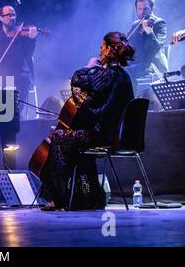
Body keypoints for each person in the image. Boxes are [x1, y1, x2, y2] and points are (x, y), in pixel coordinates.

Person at [39, 32, 135, 211]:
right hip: (111, 134)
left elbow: (79, 80)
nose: (99, 52)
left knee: (59, 136)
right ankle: (85, 197)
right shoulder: (123, 76)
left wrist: (87, 66)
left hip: (100, 136)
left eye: (101, 48)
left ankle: (59, 198)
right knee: (73, 141)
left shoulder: (109, 75)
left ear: (108, 49)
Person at [0, 5, 38, 170]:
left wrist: (32, 38)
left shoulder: (22, 36)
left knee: (10, 119)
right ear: (1, 18)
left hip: (19, 80)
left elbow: (28, 55)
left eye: (13, 14)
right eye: (8, 15)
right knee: (0, 121)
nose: (12, 18)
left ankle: (10, 166)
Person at [126, 0, 167, 94]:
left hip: (152, 65)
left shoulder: (159, 23)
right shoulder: (136, 24)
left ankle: (132, 99)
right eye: (139, 8)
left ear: (153, 8)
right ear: (136, 9)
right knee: (116, 70)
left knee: (125, 72)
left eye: (145, 8)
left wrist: (149, 32)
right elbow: (128, 43)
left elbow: (156, 48)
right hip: (138, 63)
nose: (142, 12)